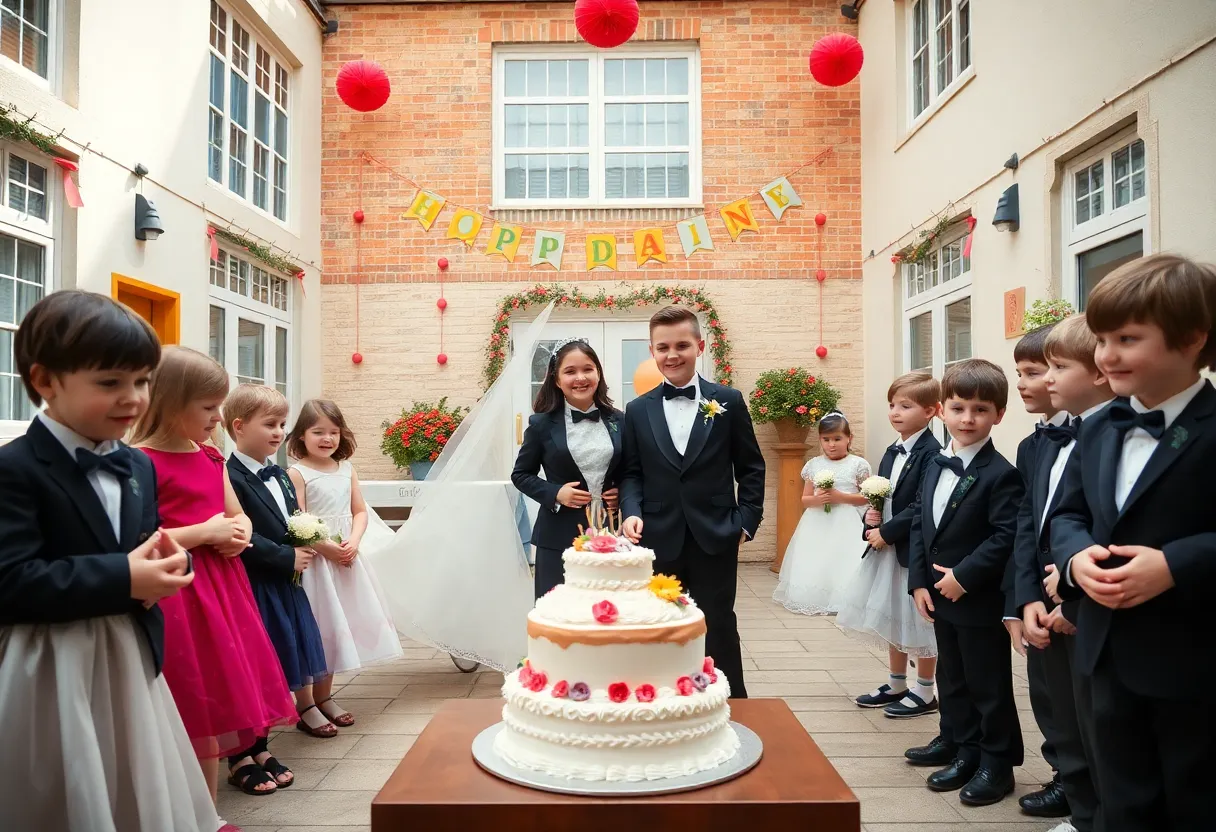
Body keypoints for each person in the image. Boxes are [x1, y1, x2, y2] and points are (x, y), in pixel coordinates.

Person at [0, 291, 221, 831]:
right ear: (45, 381)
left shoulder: (136, 467)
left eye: (143, 381)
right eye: (110, 383)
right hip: (50, 664)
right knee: (66, 787)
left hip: (127, 654)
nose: (133, 398)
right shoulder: (15, 469)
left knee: (133, 781)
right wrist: (124, 575)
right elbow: (10, 580)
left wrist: (166, 570)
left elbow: (144, 546)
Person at [1051, 253, 1216, 832]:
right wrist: (1074, 559)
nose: (1106, 356)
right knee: (1121, 800)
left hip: (1192, 658)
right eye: (1100, 339)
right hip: (1104, 654)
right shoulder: (1098, 426)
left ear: (1193, 339)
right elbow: (1068, 512)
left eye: (1127, 338)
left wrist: (1176, 564)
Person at [132, 348, 298, 799]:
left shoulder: (208, 456)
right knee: (194, 692)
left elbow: (236, 514)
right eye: (208, 408)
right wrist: (205, 532)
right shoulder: (139, 461)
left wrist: (239, 532)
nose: (217, 419)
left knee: (224, 683)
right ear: (169, 402)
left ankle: (208, 810)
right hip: (181, 592)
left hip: (225, 587)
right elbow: (139, 539)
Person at [620, 305, 765, 699]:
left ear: (699, 346)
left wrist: (746, 522)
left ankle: (734, 706)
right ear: (652, 351)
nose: (672, 355)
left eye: (682, 345)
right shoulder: (636, 410)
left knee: (717, 623)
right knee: (660, 624)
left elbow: (751, 467)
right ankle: (664, 700)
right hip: (656, 535)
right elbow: (631, 473)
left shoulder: (728, 402)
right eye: (663, 347)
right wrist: (631, 512)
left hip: (715, 534)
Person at [905, 358, 1024, 807]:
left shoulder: (1001, 474)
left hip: (976, 596)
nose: (968, 418)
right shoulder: (937, 463)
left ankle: (996, 762)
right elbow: (921, 522)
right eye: (958, 408)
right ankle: (957, 741)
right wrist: (919, 580)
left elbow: (1005, 535)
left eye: (980, 409)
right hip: (937, 593)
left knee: (987, 682)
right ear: (941, 411)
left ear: (998, 414)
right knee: (951, 675)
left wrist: (965, 576)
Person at [1015, 314, 1111, 832]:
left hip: (1085, 607)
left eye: (1054, 367)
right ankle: (1080, 806)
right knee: (1063, 715)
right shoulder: (1048, 445)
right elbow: (1036, 523)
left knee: (1098, 723)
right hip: (1046, 603)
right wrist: (1028, 597)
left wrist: (1072, 601)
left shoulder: (1106, 435)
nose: (1046, 380)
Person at [223, 385, 332, 748]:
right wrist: (286, 556)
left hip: (289, 579)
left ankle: (306, 706)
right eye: (269, 424)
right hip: (259, 580)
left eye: (282, 424)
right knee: (269, 650)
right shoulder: (230, 477)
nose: (278, 432)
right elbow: (242, 534)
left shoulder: (281, 474)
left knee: (299, 640)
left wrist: (307, 538)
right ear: (239, 427)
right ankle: (255, 735)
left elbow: (292, 516)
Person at [286, 399, 404, 728]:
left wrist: (353, 540)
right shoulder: (297, 473)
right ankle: (306, 703)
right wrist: (327, 548)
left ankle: (325, 696)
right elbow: (297, 520)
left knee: (338, 627)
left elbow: (360, 511)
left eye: (333, 432)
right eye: (318, 432)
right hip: (318, 563)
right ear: (301, 436)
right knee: (317, 628)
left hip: (347, 558)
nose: (327, 439)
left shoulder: (346, 469)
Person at [840, 372, 941, 719]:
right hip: (886, 545)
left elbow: (921, 504)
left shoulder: (932, 453)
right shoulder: (891, 450)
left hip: (911, 548)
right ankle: (897, 682)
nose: (895, 412)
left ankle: (925, 690)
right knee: (894, 618)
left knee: (918, 619)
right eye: (892, 405)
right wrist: (873, 513)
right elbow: (881, 491)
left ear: (930, 411)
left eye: (905, 406)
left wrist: (889, 531)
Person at [1005, 322, 1073, 820]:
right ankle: (1063, 774)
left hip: (1080, 592)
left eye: (1034, 372)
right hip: (1040, 594)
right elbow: (1025, 526)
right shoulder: (1033, 447)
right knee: (1047, 690)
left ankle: (1085, 785)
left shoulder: (1100, 433)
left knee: (1082, 698)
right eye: (1020, 373)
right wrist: (1023, 599)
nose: (1026, 383)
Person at [511, 338, 623, 598]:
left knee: (608, 610)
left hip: (612, 531)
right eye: (570, 371)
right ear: (557, 380)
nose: (580, 378)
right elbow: (520, 475)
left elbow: (631, 471)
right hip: (558, 535)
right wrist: (555, 493)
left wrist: (622, 493)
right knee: (559, 614)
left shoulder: (621, 420)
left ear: (598, 373)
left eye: (587, 369)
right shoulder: (541, 425)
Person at [772, 411, 870, 615]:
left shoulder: (858, 464)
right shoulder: (814, 465)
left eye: (837, 439)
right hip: (818, 521)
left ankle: (845, 598)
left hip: (847, 521)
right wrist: (818, 500)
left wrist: (840, 497)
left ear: (849, 438)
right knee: (818, 558)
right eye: (826, 439)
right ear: (820, 440)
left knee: (843, 557)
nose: (831, 445)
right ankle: (817, 596)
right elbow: (805, 499)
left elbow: (867, 497)